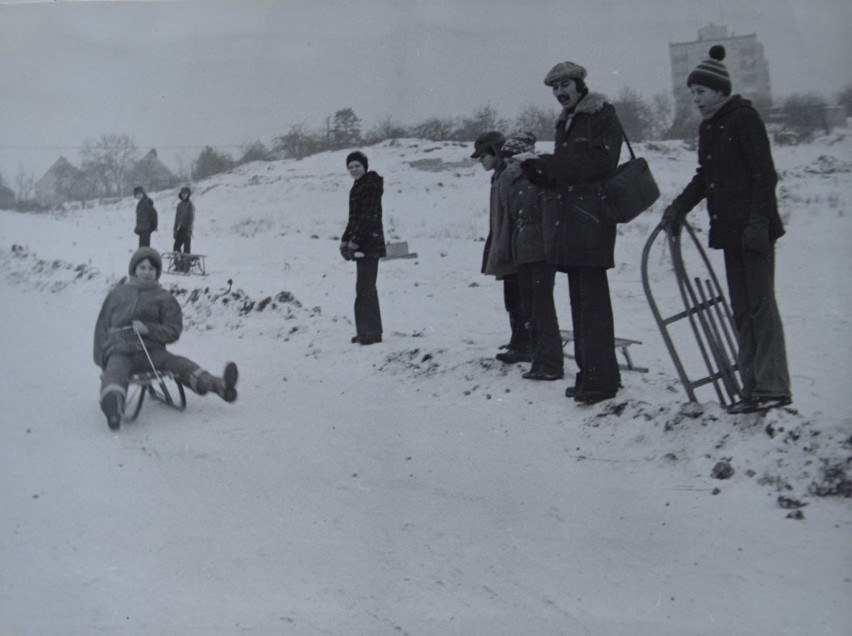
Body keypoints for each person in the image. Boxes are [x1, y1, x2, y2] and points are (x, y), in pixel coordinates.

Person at [661, 46, 791, 415]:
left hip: (754, 231)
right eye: (693, 94)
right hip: (731, 231)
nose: (696, 100)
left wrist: (758, 223)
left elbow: (764, 175)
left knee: (760, 307)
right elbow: (705, 177)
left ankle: (773, 387)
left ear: (720, 91)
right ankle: (752, 388)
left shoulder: (744, 119)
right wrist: (678, 207)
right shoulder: (711, 127)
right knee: (741, 310)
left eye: (701, 92)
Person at [518, 61, 623, 404]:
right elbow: (568, 170)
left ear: (580, 84)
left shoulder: (600, 114)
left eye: (565, 85)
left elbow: (600, 162)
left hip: (593, 219)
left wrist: (550, 164)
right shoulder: (567, 122)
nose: (560, 92)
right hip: (572, 222)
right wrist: (539, 171)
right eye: (554, 88)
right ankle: (586, 375)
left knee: (592, 303)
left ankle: (602, 380)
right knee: (579, 301)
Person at [93, 247, 239, 430]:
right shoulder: (117, 294)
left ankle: (219, 385)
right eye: (142, 268)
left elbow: (173, 330)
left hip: (151, 351)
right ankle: (113, 408)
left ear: (157, 273)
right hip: (120, 350)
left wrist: (149, 329)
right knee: (115, 372)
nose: (147, 273)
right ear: (134, 269)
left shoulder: (164, 298)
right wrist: (102, 357)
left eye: (151, 269)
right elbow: (102, 326)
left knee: (178, 363)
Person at [499, 131, 563, 380]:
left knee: (542, 307)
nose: (508, 167)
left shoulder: (538, 181)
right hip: (523, 252)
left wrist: (550, 251)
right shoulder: (515, 185)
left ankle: (550, 362)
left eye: (512, 162)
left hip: (540, 253)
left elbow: (547, 217)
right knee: (530, 308)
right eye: (506, 163)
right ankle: (539, 359)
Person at [472, 130, 532, 364]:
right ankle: (518, 340)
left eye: (483, 155)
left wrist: (504, 246)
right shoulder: (499, 176)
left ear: (495, 153)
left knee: (517, 297)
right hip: (504, 243)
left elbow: (511, 214)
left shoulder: (507, 176)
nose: (480, 161)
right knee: (512, 295)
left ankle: (523, 344)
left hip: (511, 245)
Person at [339, 151, 386, 345]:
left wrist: (356, 241)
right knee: (362, 288)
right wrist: (345, 239)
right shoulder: (357, 187)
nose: (354, 170)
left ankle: (373, 333)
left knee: (367, 287)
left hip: (370, 242)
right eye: (350, 167)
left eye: (357, 166)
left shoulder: (371, 186)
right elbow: (353, 219)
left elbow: (368, 217)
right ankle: (364, 331)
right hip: (362, 242)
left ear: (365, 166)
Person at [173, 186, 195, 255]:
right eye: (183, 194)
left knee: (186, 249)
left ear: (188, 194)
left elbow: (191, 218)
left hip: (187, 228)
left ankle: (186, 264)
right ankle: (178, 263)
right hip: (180, 228)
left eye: (185, 194)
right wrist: (175, 229)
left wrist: (189, 230)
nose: (184, 195)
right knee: (176, 247)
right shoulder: (179, 205)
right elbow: (176, 218)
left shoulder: (190, 205)